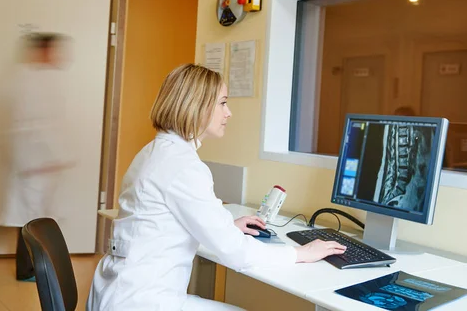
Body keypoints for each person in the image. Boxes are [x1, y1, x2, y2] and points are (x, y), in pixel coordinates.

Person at [86, 63, 346, 310]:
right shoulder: (183, 165)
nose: (228, 112)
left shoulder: (154, 152)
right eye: (222, 102)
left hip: (120, 290)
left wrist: (226, 228)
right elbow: (237, 254)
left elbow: (167, 223)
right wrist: (300, 253)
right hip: (141, 302)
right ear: (195, 106)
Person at [0, 33, 73, 281]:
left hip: (38, 162)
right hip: (33, 162)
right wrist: (49, 157)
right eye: (54, 51)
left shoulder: (39, 79)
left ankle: (32, 268)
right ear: (43, 51)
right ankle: (29, 270)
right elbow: (34, 126)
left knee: (34, 217)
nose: (58, 57)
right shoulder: (29, 81)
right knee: (32, 219)